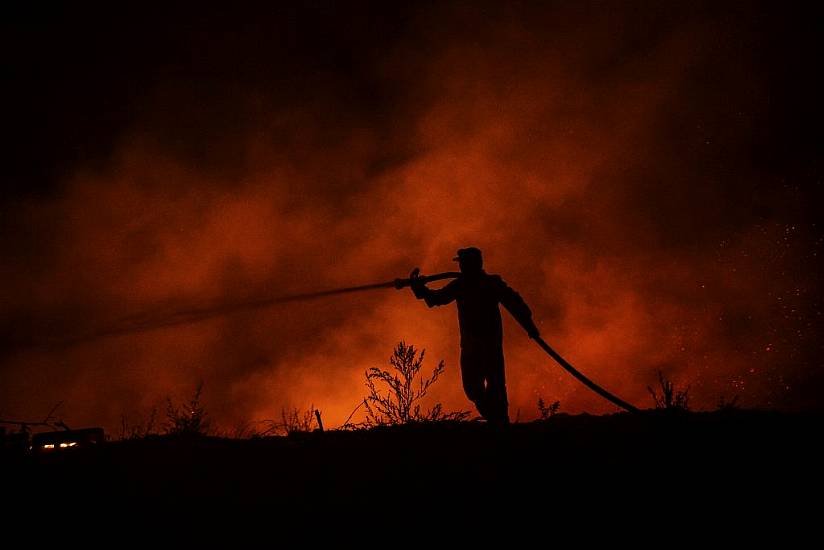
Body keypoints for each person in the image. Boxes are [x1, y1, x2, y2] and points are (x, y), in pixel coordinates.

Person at [409, 247, 540, 424]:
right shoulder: (461, 285)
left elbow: (514, 303)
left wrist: (530, 326)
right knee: (474, 388)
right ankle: (498, 420)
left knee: (494, 386)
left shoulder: (489, 284)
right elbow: (436, 299)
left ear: (471, 264)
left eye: (463, 263)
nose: (461, 267)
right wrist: (419, 288)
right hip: (472, 345)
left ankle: (500, 423)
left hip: (488, 344)